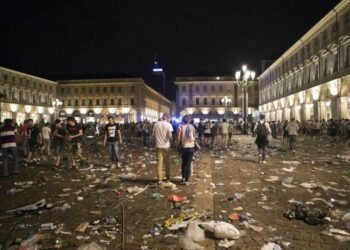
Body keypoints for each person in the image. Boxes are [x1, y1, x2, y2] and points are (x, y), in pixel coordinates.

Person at [152, 113, 173, 187]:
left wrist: (154, 143)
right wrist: (171, 140)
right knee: (167, 163)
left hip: (158, 146)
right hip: (166, 146)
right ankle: (168, 178)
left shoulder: (156, 124)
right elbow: (170, 136)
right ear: (167, 118)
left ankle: (159, 180)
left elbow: (153, 136)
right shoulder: (168, 125)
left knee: (159, 163)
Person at [177, 115, 196, 185]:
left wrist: (177, 146)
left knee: (183, 163)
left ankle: (183, 178)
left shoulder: (181, 127)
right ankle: (187, 179)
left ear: (182, 120)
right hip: (191, 147)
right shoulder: (193, 127)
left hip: (184, 147)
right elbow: (195, 137)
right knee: (188, 163)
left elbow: (179, 138)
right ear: (189, 120)